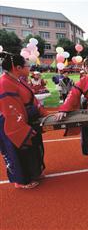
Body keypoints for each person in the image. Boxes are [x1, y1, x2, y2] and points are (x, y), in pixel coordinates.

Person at [0, 52, 48, 189]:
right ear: (18, 68)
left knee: (33, 148)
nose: (30, 68)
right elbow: (11, 111)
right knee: (18, 150)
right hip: (13, 123)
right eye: (27, 65)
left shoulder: (18, 79)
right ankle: (22, 180)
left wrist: (43, 113)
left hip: (27, 118)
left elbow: (32, 99)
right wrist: (22, 128)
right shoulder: (4, 83)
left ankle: (34, 172)